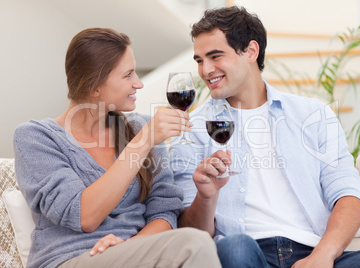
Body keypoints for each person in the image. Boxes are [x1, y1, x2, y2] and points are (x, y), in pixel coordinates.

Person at [169, 6, 360, 268]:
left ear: (251, 51)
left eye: (214, 56)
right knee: (234, 246)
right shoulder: (191, 128)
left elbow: (350, 198)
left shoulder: (313, 115)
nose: (205, 70)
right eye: (199, 60)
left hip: (316, 253)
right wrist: (206, 196)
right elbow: (190, 234)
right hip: (244, 253)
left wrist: (321, 258)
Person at [13, 28, 221, 268]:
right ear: (94, 85)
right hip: (69, 259)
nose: (139, 84)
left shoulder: (141, 127)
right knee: (194, 244)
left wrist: (130, 246)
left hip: (135, 255)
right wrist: (142, 143)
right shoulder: (36, 138)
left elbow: (164, 213)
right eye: (128, 75)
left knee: (195, 242)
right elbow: (85, 217)